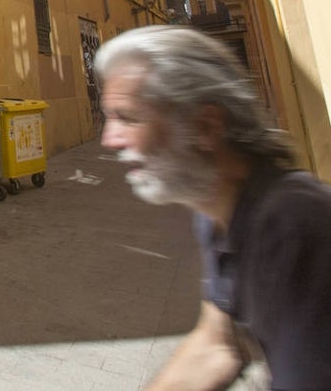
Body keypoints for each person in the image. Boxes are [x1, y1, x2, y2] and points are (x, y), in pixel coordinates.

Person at [95, 25, 331, 390]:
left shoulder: (293, 229)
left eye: (128, 118)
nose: (109, 140)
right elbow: (219, 344)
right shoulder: (218, 210)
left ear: (205, 127)